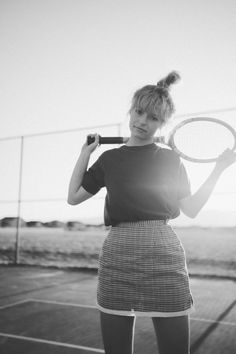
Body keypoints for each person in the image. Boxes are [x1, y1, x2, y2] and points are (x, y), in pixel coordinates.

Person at [67, 71, 236, 354]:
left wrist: (219, 169)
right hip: (117, 256)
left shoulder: (170, 159)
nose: (143, 122)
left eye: (154, 118)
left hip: (163, 256)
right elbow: (73, 198)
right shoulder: (109, 159)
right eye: (139, 112)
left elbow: (191, 209)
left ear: (163, 123)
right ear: (131, 110)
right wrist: (85, 152)